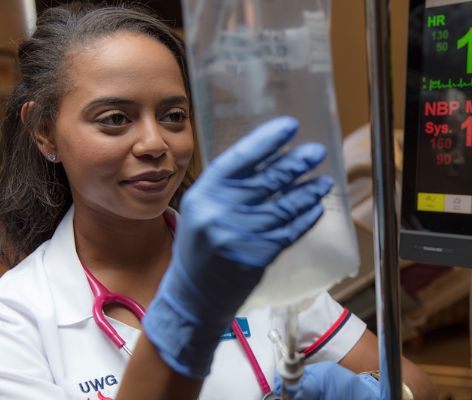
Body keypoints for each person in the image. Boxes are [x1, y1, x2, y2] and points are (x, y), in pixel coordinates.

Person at [0, 3, 436, 400]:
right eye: (115, 119)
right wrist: (194, 301)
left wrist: (371, 394)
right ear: (43, 130)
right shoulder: (16, 319)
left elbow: (415, 383)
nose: (155, 143)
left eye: (174, 116)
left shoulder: (253, 263)